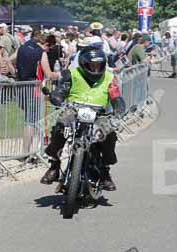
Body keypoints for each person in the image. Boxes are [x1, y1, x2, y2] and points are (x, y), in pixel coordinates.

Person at [40, 47, 125, 191]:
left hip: (100, 115)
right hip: (73, 111)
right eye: (92, 65)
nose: (96, 68)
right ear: (84, 64)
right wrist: (56, 96)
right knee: (60, 128)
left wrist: (118, 108)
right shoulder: (70, 74)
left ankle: (105, 171)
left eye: (99, 65)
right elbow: (61, 90)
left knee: (109, 134)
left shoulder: (110, 77)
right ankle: (54, 165)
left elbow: (116, 96)